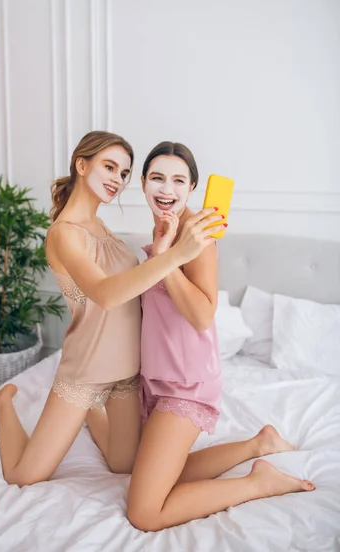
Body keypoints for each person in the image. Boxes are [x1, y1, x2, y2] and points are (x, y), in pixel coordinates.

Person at [0, 131, 219, 486]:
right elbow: (105, 294)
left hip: (127, 372)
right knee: (24, 477)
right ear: (82, 165)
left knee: (123, 465)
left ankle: (88, 414)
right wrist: (176, 254)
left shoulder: (102, 227)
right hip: (87, 368)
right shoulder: (63, 234)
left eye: (124, 173)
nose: (117, 179)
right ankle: (4, 403)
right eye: (109, 167)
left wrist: (170, 248)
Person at [126, 141, 316, 532]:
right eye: (157, 178)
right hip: (158, 379)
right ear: (143, 182)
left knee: (144, 512)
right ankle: (257, 445)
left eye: (179, 180)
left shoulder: (198, 237)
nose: (167, 189)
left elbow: (201, 314)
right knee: (163, 474)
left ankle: (257, 483)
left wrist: (166, 259)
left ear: (192, 187)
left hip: (187, 384)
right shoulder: (163, 227)